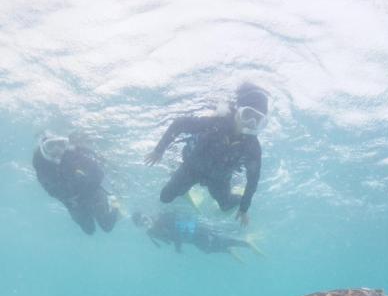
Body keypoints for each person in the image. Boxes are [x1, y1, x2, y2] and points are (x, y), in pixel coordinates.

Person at [145, 83, 268, 226]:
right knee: (165, 197)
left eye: (258, 120)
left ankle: (236, 193)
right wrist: (159, 150)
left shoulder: (253, 147)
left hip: (220, 180)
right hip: (191, 169)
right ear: (237, 111)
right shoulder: (214, 123)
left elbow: (253, 180)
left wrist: (244, 207)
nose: (251, 123)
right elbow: (179, 124)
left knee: (226, 206)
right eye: (248, 115)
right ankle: (181, 187)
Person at [32, 134, 120, 234]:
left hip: (91, 193)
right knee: (89, 230)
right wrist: (69, 196)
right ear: (43, 149)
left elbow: (98, 172)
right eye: (51, 146)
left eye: (61, 144)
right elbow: (50, 190)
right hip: (72, 202)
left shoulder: (74, 154)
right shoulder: (41, 164)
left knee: (107, 226)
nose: (57, 150)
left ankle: (115, 203)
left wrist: (86, 183)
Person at [132, 210, 261, 258]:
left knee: (219, 237)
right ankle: (228, 250)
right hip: (191, 239)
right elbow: (167, 239)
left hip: (196, 229)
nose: (145, 223)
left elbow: (175, 234)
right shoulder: (152, 232)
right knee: (207, 249)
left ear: (147, 215)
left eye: (144, 219)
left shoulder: (162, 218)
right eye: (141, 224)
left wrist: (178, 248)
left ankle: (246, 242)